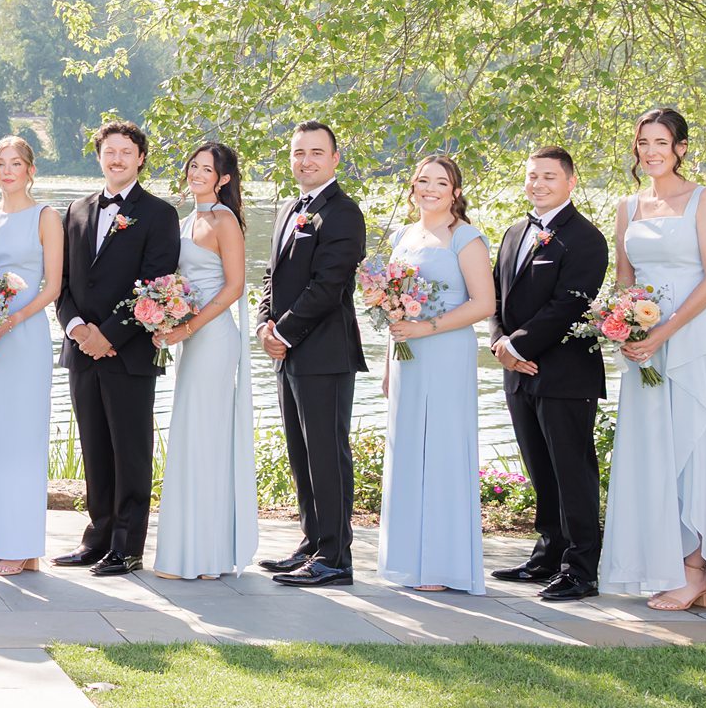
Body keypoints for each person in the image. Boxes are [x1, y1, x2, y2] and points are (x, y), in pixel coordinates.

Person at [599, 107, 706, 610]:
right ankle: (679, 564)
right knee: (656, 451)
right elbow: (625, 278)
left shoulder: (702, 200)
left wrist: (664, 331)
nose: (650, 151)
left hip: (698, 338)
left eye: (661, 143)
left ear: (681, 149)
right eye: (643, 142)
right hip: (645, 344)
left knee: (699, 447)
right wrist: (625, 326)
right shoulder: (629, 205)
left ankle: (696, 571)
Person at [51, 122, 181, 576]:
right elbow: (62, 284)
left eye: (127, 152)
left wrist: (110, 334)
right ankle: (98, 537)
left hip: (128, 352)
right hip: (81, 350)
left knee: (130, 450)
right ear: (99, 156)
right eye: (110, 151)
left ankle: (127, 548)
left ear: (140, 158)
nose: (118, 159)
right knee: (94, 448)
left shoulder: (160, 214)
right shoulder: (77, 210)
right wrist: (77, 329)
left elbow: (157, 284)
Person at [490, 146, 611, 600]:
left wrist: (517, 344)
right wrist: (500, 342)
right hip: (517, 371)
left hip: (564, 373)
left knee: (572, 469)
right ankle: (548, 553)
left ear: (571, 182)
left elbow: (570, 305)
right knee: (539, 466)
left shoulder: (585, 238)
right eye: (532, 176)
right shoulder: (514, 231)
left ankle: (581, 569)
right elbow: (497, 296)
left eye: (549, 177)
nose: (538, 184)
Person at [255, 120, 369, 587]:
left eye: (316, 153)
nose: (306, 161)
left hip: (325, 352)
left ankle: (336, 558)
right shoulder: (289, 207)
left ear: (335, 159)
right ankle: (312, 541)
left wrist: (284, 331)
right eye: (299, 152)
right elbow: (271, 275)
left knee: (327, 453)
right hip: (288, 351)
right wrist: (265, 322)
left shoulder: (344, 213)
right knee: (301, 452)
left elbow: (329, 285)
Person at [374, 156, 495, 593]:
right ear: (412, 187)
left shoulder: (465, 238)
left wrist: (426, 327)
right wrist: (390, 363)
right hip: (407, 356)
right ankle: (408, 561)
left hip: (445, 351)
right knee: (407, 451)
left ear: (455, 191)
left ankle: (444, 566)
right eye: (423, 180)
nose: (430, 189)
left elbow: (484, 304)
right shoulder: (404, 235)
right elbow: (391, 302)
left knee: (442, 450)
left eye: (440, 182)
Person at [150, 141, 256, 581]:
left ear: (223, 178)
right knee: (192, 438)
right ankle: (188, 549)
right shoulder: (188, 218)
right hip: (189, 338)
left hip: (212, 339)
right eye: (192, 165)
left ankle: (208, 555)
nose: (196, 173)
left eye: (206, 169)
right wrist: (161, 311)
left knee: (207, 440)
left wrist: (188, 327)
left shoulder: (224, 220)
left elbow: (234, 287)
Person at [0, 137, 62, 576]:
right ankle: (6, 544)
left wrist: (12, 320)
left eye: (16, 163)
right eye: (0, 163)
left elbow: (53, 287)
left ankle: (25, 546)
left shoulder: (46, 217)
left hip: (24, 337)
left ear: (30, 169)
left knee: (24, 440)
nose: (8, 170)